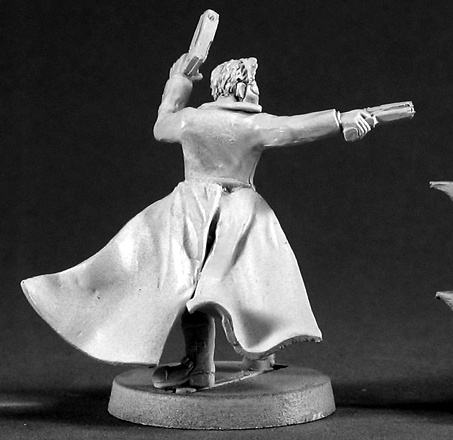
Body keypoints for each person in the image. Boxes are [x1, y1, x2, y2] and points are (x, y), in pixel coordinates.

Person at [21, 54, 372, 390]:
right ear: (237, 87)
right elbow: (294, 128)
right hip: (239, 212)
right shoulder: (253, 124)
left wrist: (179, 82)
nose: (256, 90)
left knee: (190, 288)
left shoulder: (190, 119)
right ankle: (252, 355)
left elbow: (162, 126)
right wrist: (340, 119)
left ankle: (204, 365)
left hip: (186, 211)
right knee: (247, 281)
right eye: (252, 84)